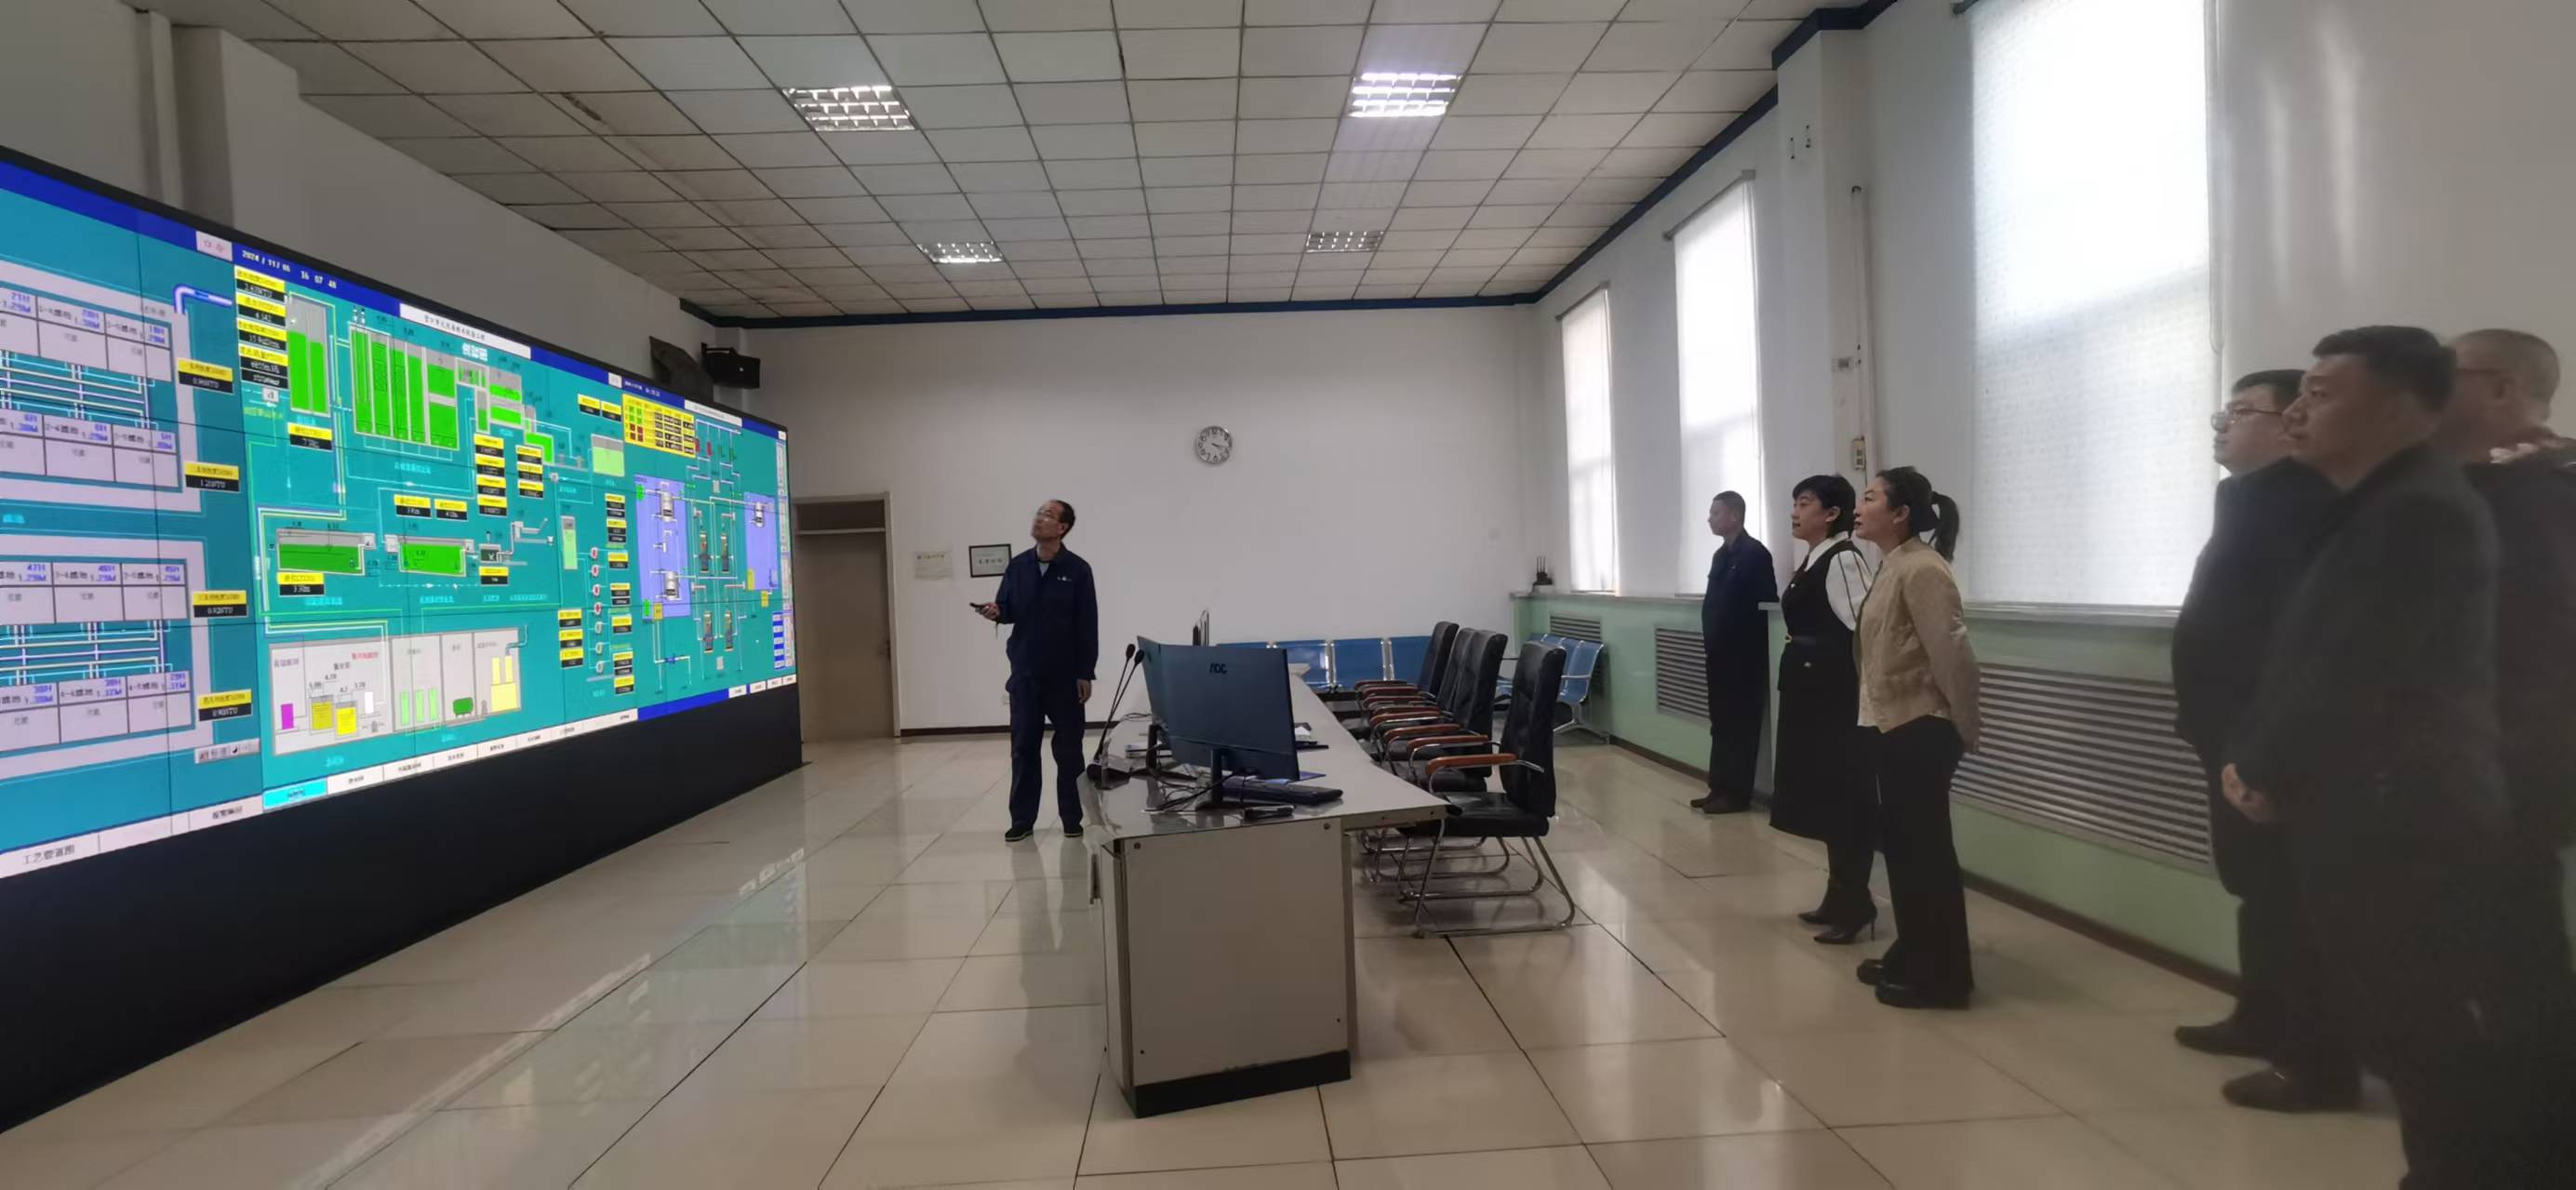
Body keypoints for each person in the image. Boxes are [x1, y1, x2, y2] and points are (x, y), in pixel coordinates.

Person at [2224, 326, 2576, 1187]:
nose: (2299, 411)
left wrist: (2269, 761)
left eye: (2321, 393)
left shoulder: (2497, 502)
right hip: (2415, 801)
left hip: (2452, 807)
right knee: (2430, 1033)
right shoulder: (2415, 494)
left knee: (2468, 1037)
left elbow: (2388, 663)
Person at [2168, 370, 2354, 1111]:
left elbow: (2293, 632)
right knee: (2254, 884)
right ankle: (2260, 1015)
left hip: (2268, 732)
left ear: (2289, 423)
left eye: (2242, 411)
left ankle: (2313, 1057)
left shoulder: (2309, 499)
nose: (2222, 423)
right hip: (2226, 726)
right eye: (2224, 409)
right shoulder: (2243, 495)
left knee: (2293, 893)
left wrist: (2263, 741)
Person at [2437, 329, 2576, 1028]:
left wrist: (2492, 767)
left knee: (2516, 955)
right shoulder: (2479, 488)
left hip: (2505, 767)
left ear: (2501, 388)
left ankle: (2530, 1092)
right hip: (2464, 762)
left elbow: (2536, 649)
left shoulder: (2543, 491)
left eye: (2446, 373)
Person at [1849, 467, 1979, 1009]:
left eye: (1870, 497)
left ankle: (1944, 977)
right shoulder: (1894, 563)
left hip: (1921, 724)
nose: (1859, 506)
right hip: (1893, 723)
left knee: (1926, 855)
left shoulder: (1923, 568)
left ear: (1901, 514)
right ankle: (1913, 950)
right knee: (1903, 851)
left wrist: (1964, 726)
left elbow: (1951, 653)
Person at [1768, 475, 1882, 943]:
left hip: (1836, 697)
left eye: (1804, 503)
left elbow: (1867, 630)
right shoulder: (1815, 557)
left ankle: (1856, 902)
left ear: (1831, 513)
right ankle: (1839, 894)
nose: (1795, 512)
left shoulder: (1843, 559)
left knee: (1845, 797)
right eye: (1794, 503)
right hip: (1811, 691)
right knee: (1825, 798)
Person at [974, 500, 1098, 843]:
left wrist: (1085, 672)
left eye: (1047, 515)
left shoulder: (1078, 570)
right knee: (1024, 749)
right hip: (1025, 672)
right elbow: (1008, 608)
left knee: (1069, 751)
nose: (1039, 519)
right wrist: (996, 612)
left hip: (1065, 675)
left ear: (1062, 528)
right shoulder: (1018, 566)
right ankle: (1022, 820)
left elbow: (1087, 624)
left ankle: (1072, 818)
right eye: (1038, 513)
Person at [1690, 491, 1777, 814]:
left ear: (1735, 516)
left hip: (1744, 658)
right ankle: (1718, 787)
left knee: (1741, 726)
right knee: (1721, 723)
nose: (1709, 519)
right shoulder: (1720, 555)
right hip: (1719, 654)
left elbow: (1765, 606)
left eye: (1716, 513)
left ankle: (1737, 795)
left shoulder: (1755, 554)